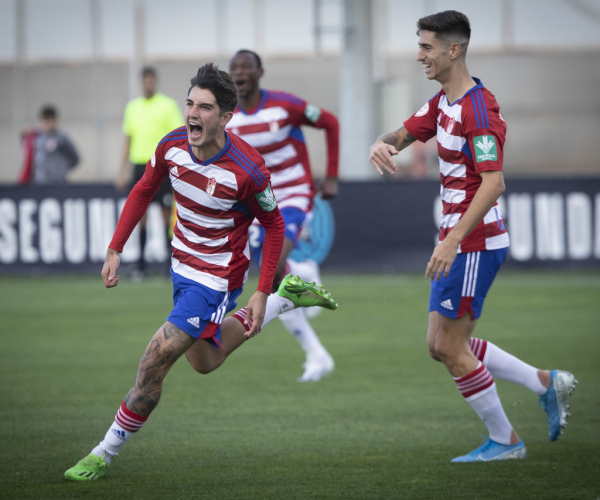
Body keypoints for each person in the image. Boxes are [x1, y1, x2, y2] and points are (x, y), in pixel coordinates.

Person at [64, 63, 338, 481]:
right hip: (182, 264)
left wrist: (260, 290)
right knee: (205, 361)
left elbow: (275, 224)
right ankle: (289, 298)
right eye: (190, 103)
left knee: (155, 359)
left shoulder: (247, 169)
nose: (192, 113)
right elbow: (143, 189)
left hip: (217, 276)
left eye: (205, 107)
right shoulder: (171, 146)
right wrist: (115, 249)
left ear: (226, 117)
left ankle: (103, 452)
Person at [369, 10, 577, 462]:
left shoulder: (478, 110)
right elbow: (402, 135)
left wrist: (452, 240)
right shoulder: (441, 101)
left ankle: (506, 441)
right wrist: (380, 143)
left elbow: (494, 182)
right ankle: (544, 382)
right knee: (438, 345)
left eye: (426, 46)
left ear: (453, 50)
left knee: (448, 346)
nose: (419, 54)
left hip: (473, 244)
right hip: (458, 241)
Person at [227, 49, 340, 382]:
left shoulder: (284, 105)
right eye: (234, 68)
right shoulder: (228, 118)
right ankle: (316, 352)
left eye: (246, 67)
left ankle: (301, 276)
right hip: (258, 202)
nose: (239, 72)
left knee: (270, 272)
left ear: (260, 72)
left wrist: (331, 175)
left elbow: (330, 122)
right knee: (275, 280)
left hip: (292, 194)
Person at [115, 66, 184, 279]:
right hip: (139, 166)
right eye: (145, 80)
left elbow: (178, 135)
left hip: (161, 166)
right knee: (140, 216)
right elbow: (128, 139)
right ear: (141, 82)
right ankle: (141, 265)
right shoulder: (132, 107)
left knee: (165, 216)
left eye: (152, 79)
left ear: (156, 81)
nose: (149, 83)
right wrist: (121, 169)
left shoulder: (168, 105)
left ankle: (168, 265)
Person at [17, 105, 79, 185]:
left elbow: (75, 158)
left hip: (57, 183)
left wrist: (61, 169)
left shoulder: (62, 138)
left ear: (55, 120)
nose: (47, 123)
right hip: (38, 183)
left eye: (50, 120)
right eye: (44, 120)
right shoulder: (36, 136)